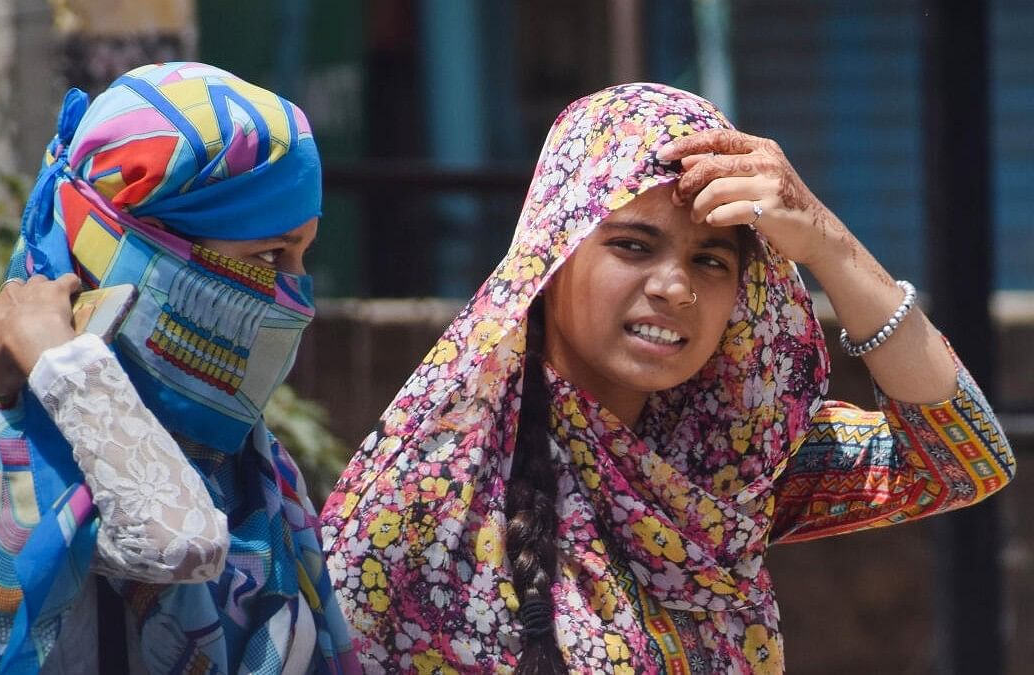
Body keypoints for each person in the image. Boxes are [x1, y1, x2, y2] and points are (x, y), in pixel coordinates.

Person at [320, 83, 1015, 673]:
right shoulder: (424, 500)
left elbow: (962, 457)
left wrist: (826, 241)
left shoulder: (725, 464)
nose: (676, 288)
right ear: (551, 253)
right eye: (632, 244)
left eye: (712, 259)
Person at [0, 62, 357, 674]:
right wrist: (65, 364)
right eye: (269, 254)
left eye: (303, 254)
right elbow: (182, 541)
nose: (293, 292)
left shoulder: (249, 466)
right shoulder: (55, 439)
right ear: (143, 247)